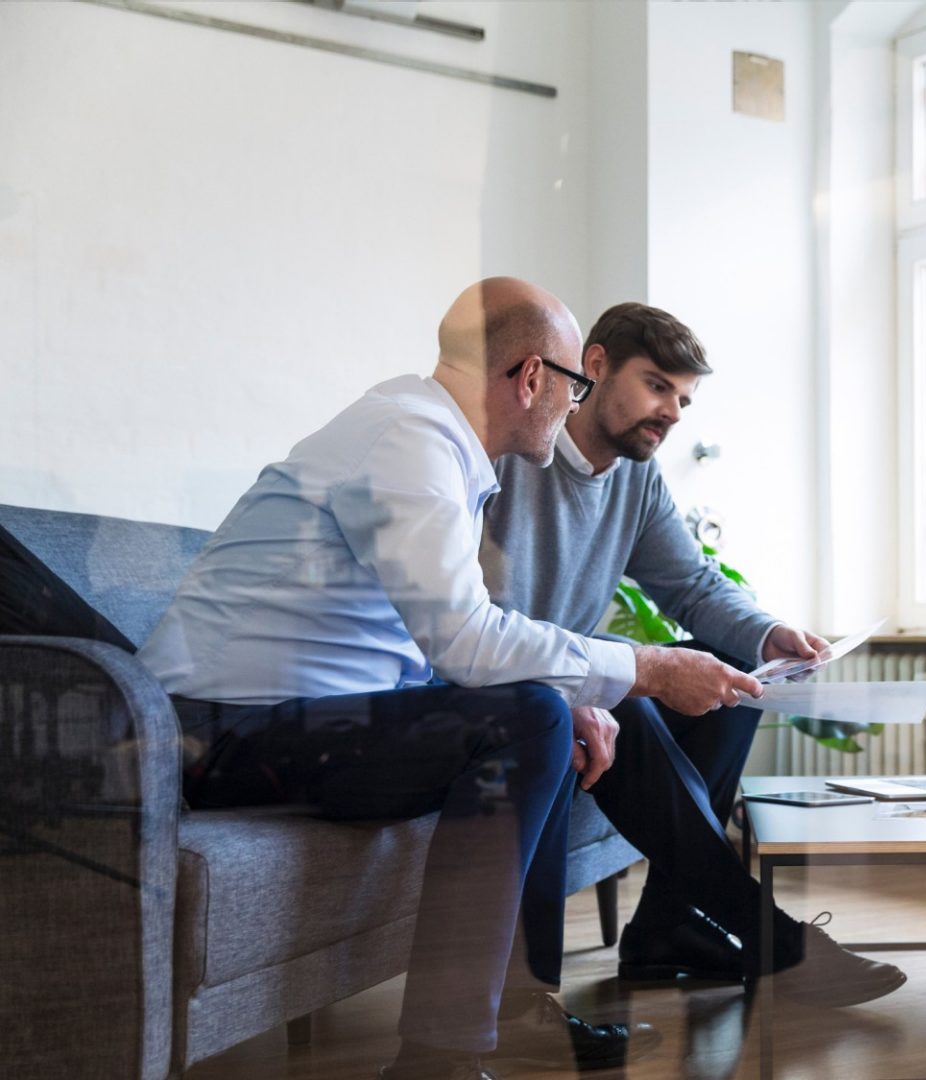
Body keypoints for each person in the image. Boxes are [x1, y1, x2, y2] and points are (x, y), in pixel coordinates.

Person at [138, 278, 714, 1080]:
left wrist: (569, 689)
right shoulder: (411, 440)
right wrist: (644, 667)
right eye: (573, 385)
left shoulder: (429, 440)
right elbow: (467, 642)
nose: (572, 405)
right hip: (216, 731)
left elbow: (417, 646)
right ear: (531, 378)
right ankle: (441, 1060)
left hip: (285, 720)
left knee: (541, 708)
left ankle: (512, 1014)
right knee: (531, 718)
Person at [480, 301, 906, 1005]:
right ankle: (774, 940)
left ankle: (665, 927)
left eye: (682, 397)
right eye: (656, 385)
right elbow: (472, 625)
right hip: (515, 691)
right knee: (629, 686)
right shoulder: (510, 454)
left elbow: (693, 586)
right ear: (594, 365)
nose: (672, 411)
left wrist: (769, 637)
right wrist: (592, 684)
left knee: (725, 678)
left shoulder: (637, 480)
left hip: (583, 688)